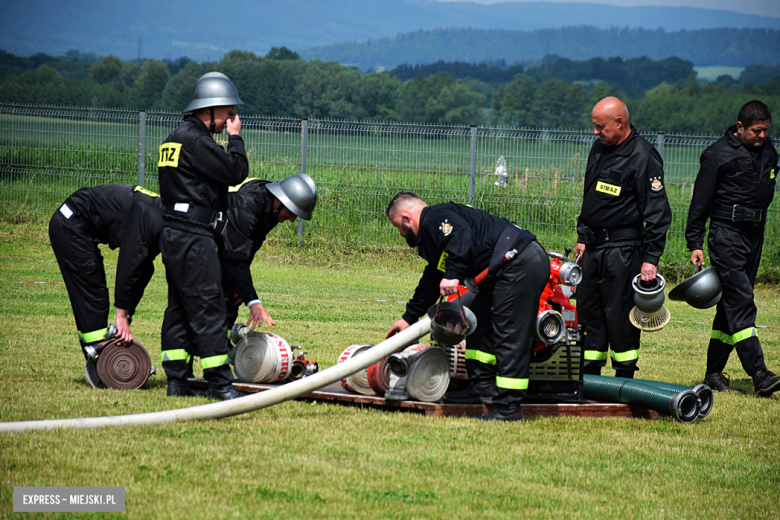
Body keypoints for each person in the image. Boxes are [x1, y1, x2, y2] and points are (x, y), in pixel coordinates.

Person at [385, 192, 550, 422]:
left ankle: (509, 409)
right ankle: (482, 391)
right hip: (502, 269)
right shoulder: (434, 234)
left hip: (520, 262)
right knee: (480, 328)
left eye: (398, 228)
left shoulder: (434, 217)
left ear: (406, 217)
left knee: (509, 335)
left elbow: (461, 234)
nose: (402, 234)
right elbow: (433, 276)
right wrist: (408, 318)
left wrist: (453, 275)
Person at [158, 72, 249, 400]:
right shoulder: (197, 141)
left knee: (180, 305)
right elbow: (236, 172)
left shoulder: (173, 139)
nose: (229, 120)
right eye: (227, 113)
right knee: (210, 305)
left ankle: (178, 380)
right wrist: (235, 140)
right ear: (208, 109)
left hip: (172, 232)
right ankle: (221, 385)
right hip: (195, 235)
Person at [685, 99, 780, 397]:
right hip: (726, 235)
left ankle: (713, 374)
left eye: (765, 130)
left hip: (755, 235)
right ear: (740, 127)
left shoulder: (769, 151)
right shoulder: (717, 154)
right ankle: (759, 373)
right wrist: (694, 242)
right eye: (756, 130)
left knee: (729, 308)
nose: (761, 136)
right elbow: (700, 201)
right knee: (742, 300)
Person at [573, 97, 672, 378]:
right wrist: (582, 236)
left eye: (600, 126)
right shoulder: (599, 147)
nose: (595, 132)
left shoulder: (643, 156)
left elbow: (657, 213)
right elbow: (590, 198)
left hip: (623, 250)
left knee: (619, 315)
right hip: (592, 248)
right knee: (589, 313)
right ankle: (589, 376)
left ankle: (624, 377)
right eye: (594, 126)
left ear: (620, 123)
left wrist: (650, 259)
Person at [48, 184, 162, 387]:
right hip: (70, 223)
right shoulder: (152, 219)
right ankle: (101, 364)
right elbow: (129, 264)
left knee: (99, 293)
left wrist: (128, 313)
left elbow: (143, 269)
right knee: (93, 296)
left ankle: (108, 359)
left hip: (80, 223)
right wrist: (121, 314)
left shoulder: (158, 218)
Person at [222, 174, 317, 335]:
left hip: (227, 249)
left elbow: (248, 248)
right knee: (217, 302)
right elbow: (235, 256)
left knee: (231, 299)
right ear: (281, 200)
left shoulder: (271, 210)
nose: (293, 220)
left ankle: (221, 346)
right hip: (204, 247)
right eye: (293, 212)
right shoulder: (249, 207)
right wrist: (253, 300)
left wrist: (240, 284)